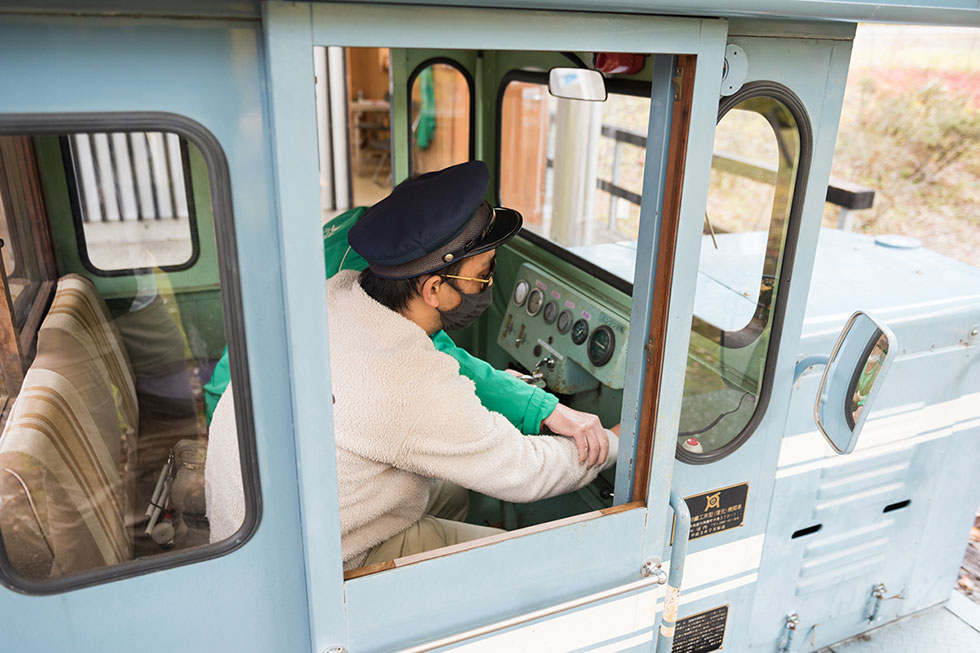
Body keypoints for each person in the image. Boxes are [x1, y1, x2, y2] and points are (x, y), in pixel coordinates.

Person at [330, 161, 618, 570]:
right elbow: (523, 471)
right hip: (336, 559)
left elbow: (444, 369)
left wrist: (526, 402)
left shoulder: (340, 295)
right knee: (519, 562)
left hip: (301, 517)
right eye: (483, 276)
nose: (487, 286)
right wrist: (612, 443)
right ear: (433, 289)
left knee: (454, 492)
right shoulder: (409, 381)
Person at [204, 193, 612, 467]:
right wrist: (549, 412)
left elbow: (429, 352)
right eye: (483, 275)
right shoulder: (363, 270)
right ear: (430, 278)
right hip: (258, 433)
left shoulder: (366, 235)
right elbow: (430, 358)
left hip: (242, 398)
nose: (487, 286)